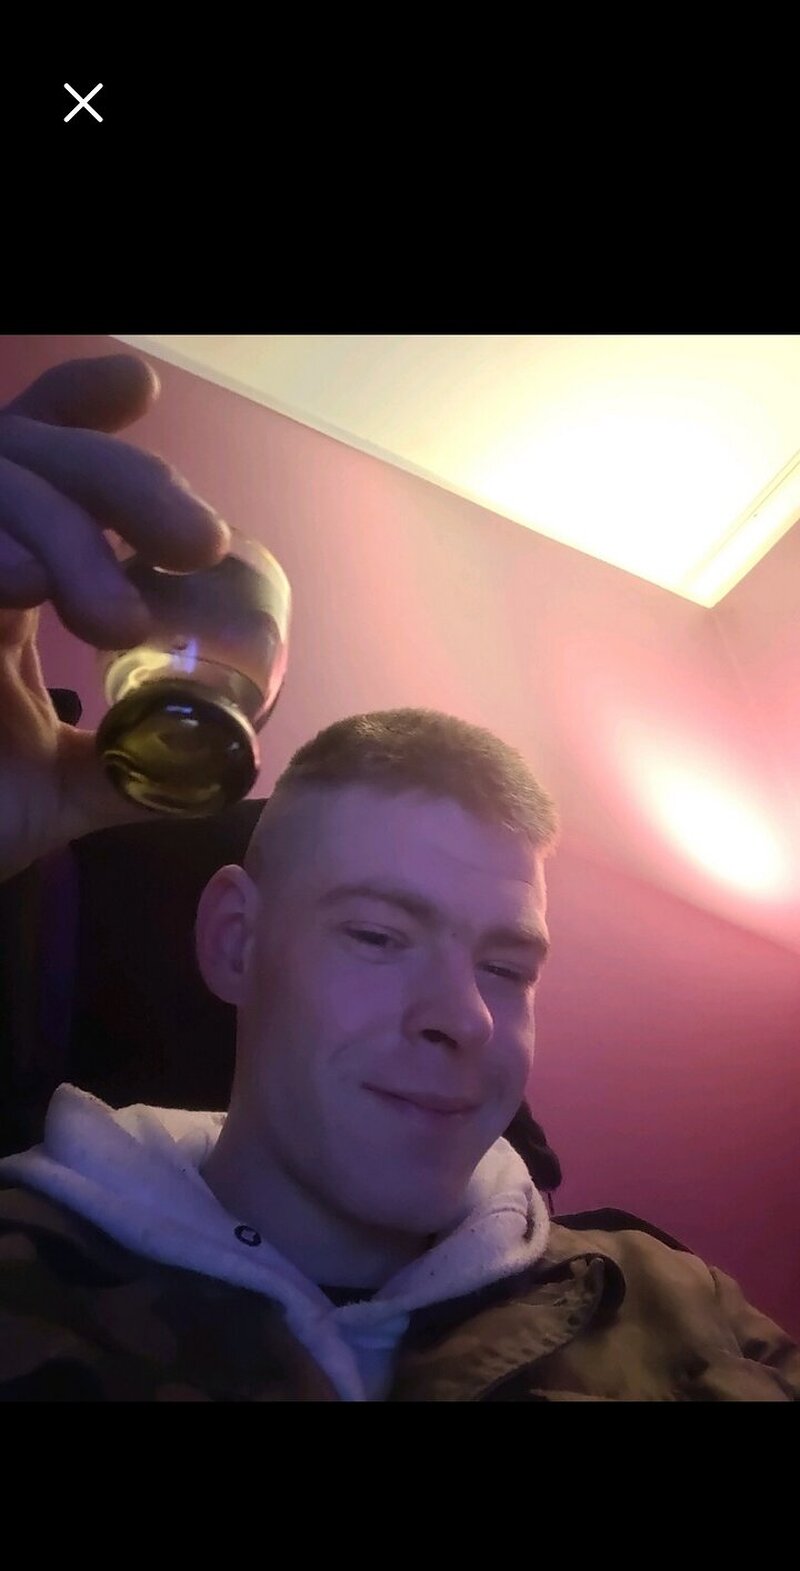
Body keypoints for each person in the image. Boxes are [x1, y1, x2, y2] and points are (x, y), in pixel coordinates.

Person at [0, 351, 797, 1403]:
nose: (465, 1018)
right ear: (236, 940)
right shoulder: (24, 1278)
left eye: (507, 966)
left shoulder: (680, 1304)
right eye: (379, 935)